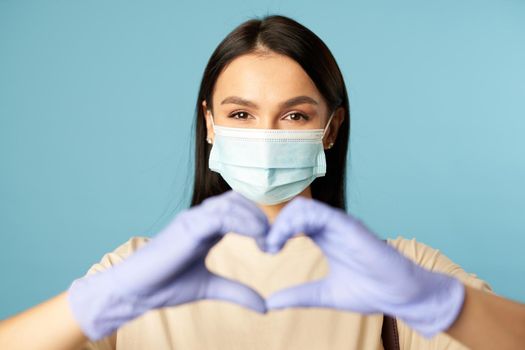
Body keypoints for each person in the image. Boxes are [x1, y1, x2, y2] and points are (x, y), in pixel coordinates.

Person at [1, 14, 524, 350]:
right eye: (242, 114)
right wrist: (98, 302)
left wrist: (441, 303)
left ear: (330, 128)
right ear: (209, 123)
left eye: (294, 116)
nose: (267, 134)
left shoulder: (399, 275)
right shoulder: (137, 272)